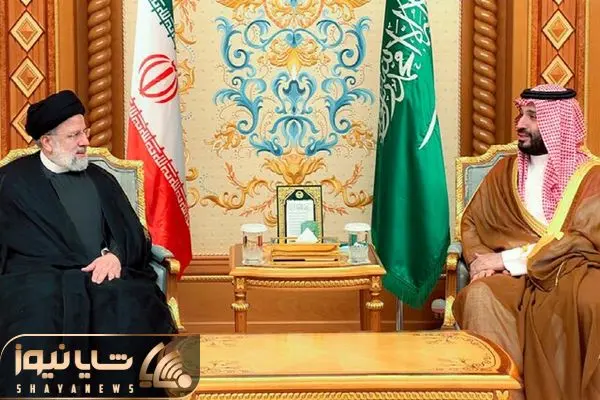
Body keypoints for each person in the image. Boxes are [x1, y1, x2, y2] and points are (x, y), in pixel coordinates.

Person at [0, 90, 176, 397]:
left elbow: (131, 233)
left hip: (105, 275)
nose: (85, 142)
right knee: (34, 319)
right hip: (36, 279)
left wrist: (114, 256)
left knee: (128, 310)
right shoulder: (11, 181)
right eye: (74, 135)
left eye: (85, 132)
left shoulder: (101, 179)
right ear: (47, 142)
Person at [452, 84, 600, 400]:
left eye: (533, 116)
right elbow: (473, 223)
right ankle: (502, 395)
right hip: (511, 280)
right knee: (479, 295)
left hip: (571, 272)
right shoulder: (504, 171)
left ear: (558, 123)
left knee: (592, 301)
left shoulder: (592, 178)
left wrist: (505, 259)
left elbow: (582, 242)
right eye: (521, 114)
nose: (520, 124)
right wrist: (480, 261)